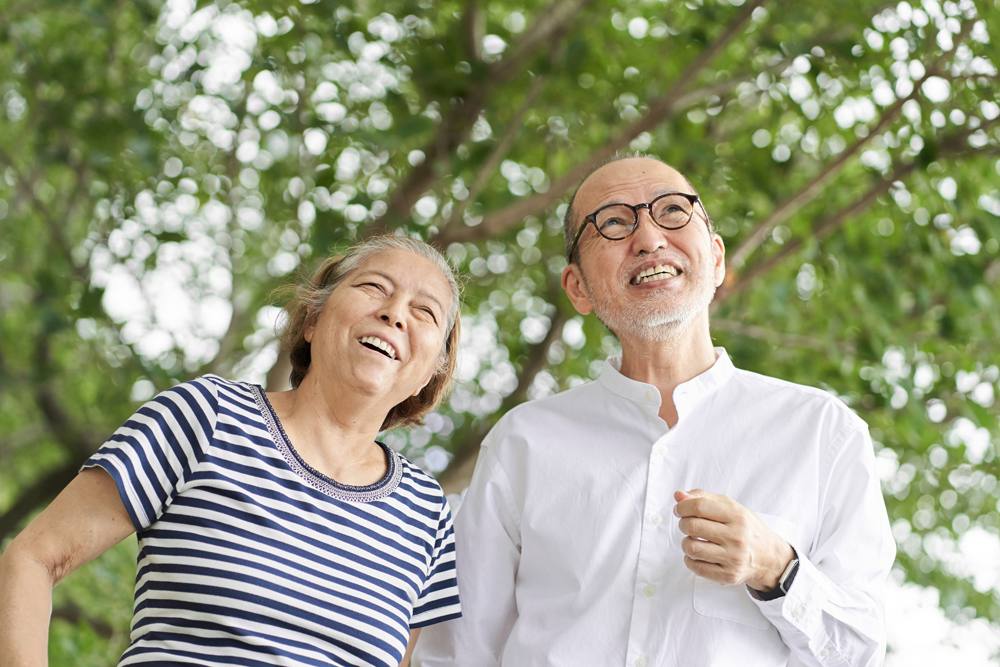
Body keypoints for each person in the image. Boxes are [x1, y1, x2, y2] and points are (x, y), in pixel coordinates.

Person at [416, 157, 895, 666]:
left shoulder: (823, 432)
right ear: (577, 288)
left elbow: (858, 653)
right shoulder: (523, 442)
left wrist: (776, 567)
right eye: (614, 223)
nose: (648, 238)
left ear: (715, 258)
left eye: (672, 211)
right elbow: (457, 654)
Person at [0, 235, 463, 667]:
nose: (395, 313)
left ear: (433, 371)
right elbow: (32, 560)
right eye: (374, 287)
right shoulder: (207, 416)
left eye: (425, 313)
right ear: (314, 319)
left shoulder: (426, 512)